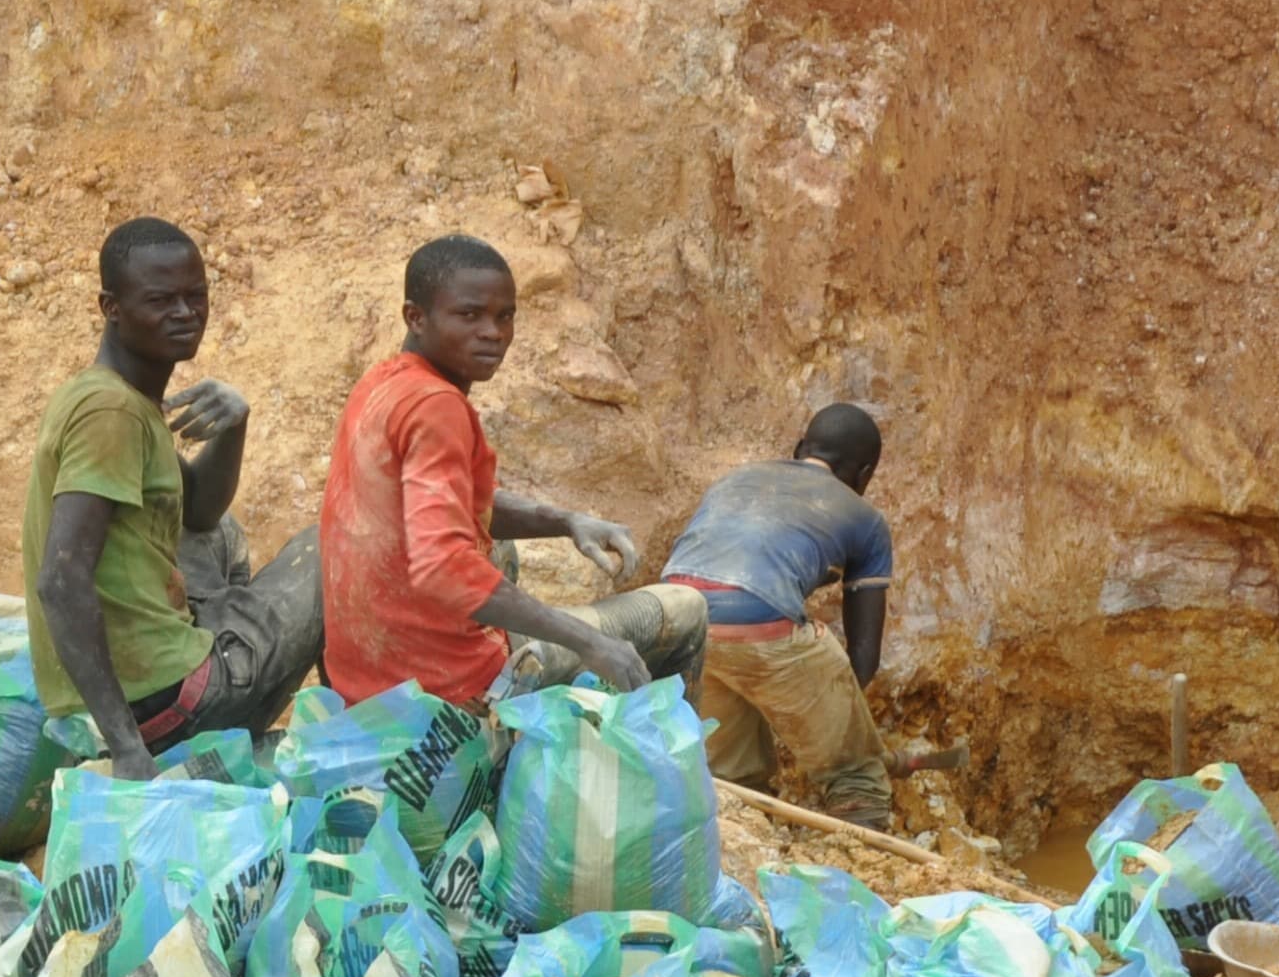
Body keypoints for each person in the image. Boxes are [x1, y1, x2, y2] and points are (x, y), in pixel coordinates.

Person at [319, 234, 704, 710]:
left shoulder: (383, 384)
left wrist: (565, 522)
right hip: (449, 688)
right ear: (415, 317)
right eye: (469, 315)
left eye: (505, 316)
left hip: (367, 677)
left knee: (499, 549)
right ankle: (679, 771)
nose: (493, 332)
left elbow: (449, 505)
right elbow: (443, 566)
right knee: (687, 610)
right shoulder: (437, 407)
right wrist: (589, 642)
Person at [24, 217, 323, 775]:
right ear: (110, 307)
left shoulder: (120, 397)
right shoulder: (110, 414)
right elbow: (61, 580)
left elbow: (202, 513)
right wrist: (127, 747)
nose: (185, 314)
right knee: (334, 546)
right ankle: (348, 722)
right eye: (161, 300)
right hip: (164, 703)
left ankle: (227, 669)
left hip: (144, 689)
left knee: (221, 533)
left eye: (196, 297)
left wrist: (235, 424)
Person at [661, 404, 901, 829]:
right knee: (855, 778)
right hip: (759, 619)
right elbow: (863, 655)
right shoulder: (864, 517)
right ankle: (861, 862)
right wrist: (835, 730)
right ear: (864, 474)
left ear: (798, 448)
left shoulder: (733, 481)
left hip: (678, 623)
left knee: (730, 779)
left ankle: (742, 843)